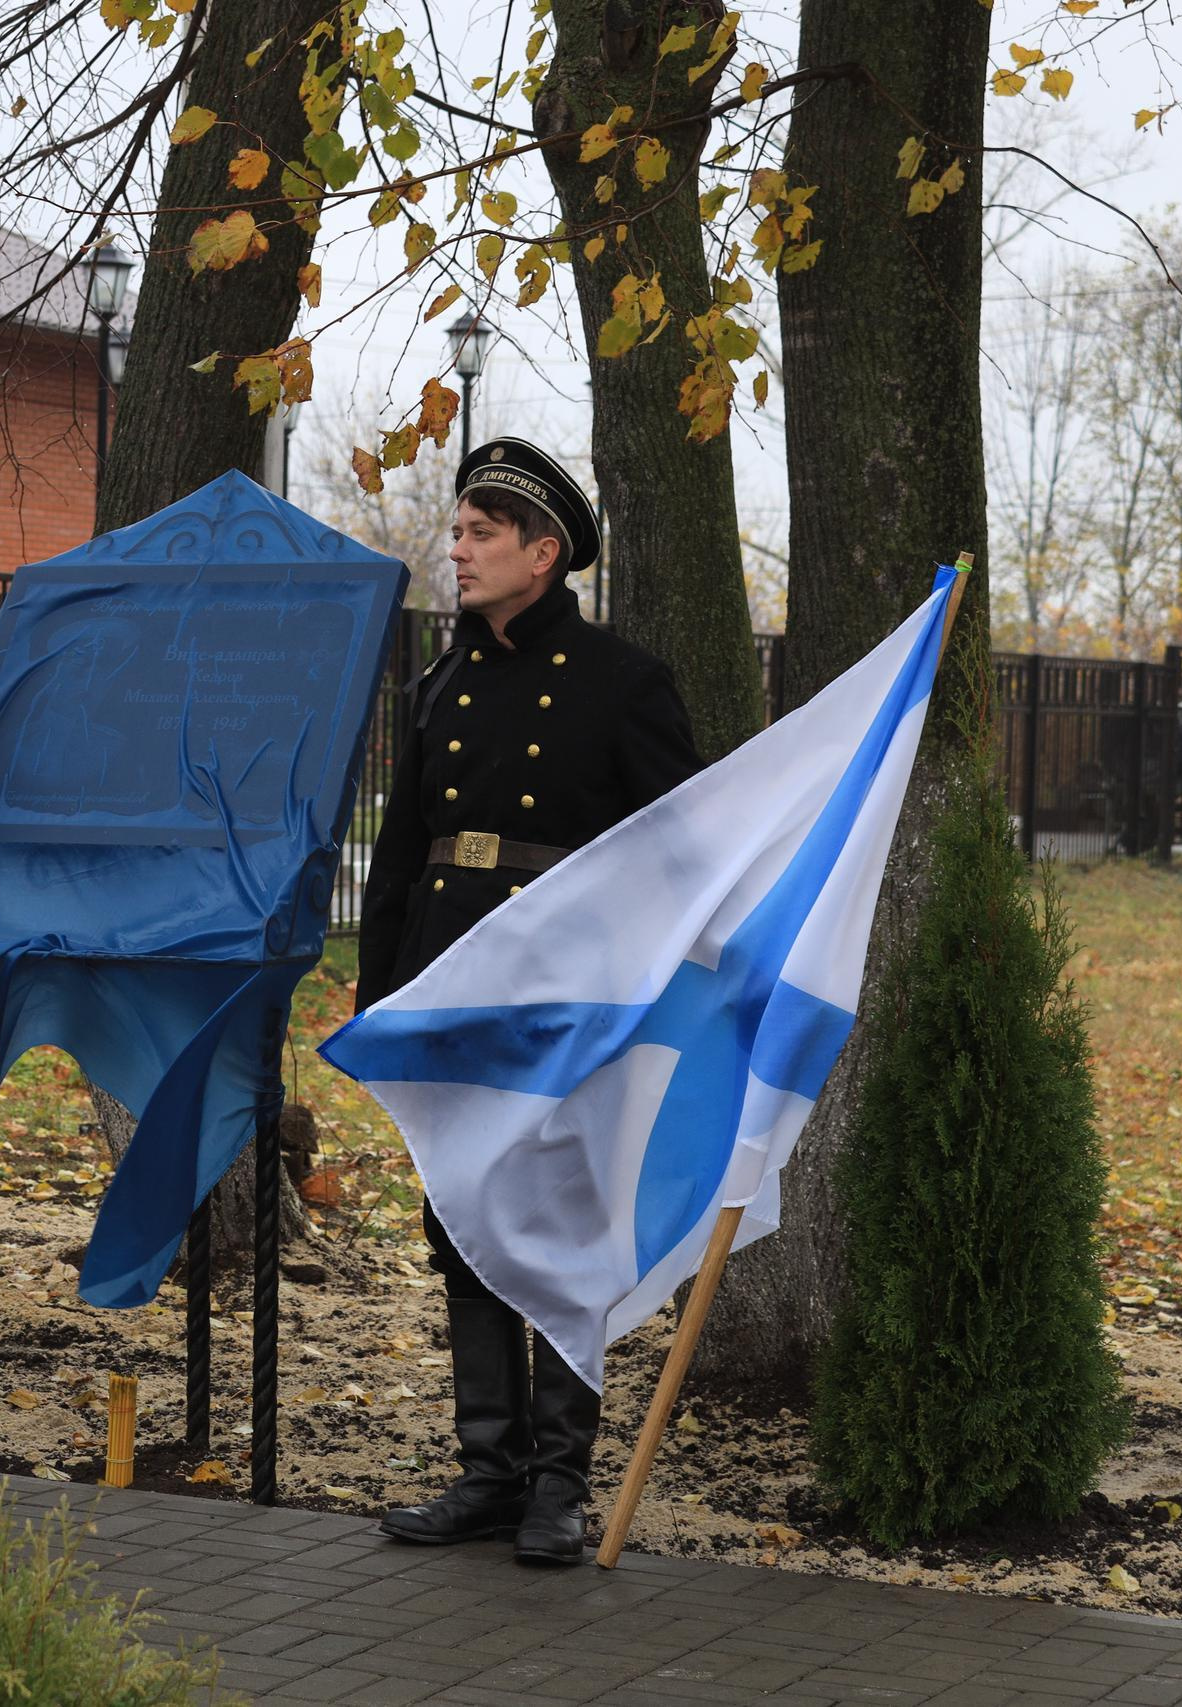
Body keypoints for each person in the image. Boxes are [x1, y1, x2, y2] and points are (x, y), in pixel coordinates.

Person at [356, 437, 702, 1566]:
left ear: (542, 554)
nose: (455, 551)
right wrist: (382, 1002)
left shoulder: (623, 682)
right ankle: (487, 1471)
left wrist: (641, 997)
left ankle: (557, 1480)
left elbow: (676, 859)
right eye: (455, 532)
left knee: (559, 1224)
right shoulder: (442, 683)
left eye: (478, 534)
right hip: (453, 982)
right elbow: (401, 855)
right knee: (461, 1221)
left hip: (571, 995)